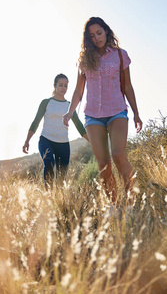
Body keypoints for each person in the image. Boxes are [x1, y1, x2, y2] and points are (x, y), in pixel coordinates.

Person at [63, 17, 143, 206]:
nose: (97, 38)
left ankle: (132, 203)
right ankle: (114, 208)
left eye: (99, 33)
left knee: (118, 155)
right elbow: (78, 90)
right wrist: (69, 112)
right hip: (92, 115)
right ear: (88, 39)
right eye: (92, 35)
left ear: (106, 31)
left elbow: (128, 87)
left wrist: (136, 113)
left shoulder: (120, 55)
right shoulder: (84, 59)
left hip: (117, 111)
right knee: (103, 164)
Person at [23, 73, 89, 189]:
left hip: (63, 144)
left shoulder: (70, 105)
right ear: (55, 86)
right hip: (46, 140)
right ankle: (47, 196)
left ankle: (57, 202)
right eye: (60, 85)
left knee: (61, 177)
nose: (63, 88)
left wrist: (92, 141)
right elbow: (36, 122)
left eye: (65, 86)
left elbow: (79, 125)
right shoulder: (46, 102)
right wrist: (27, 141)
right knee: (48, 164)